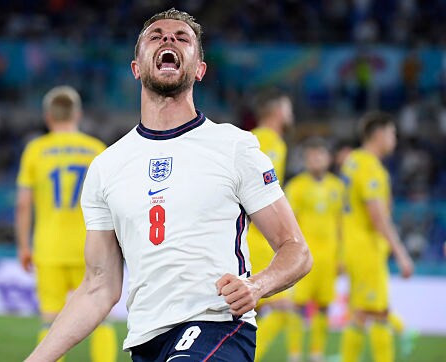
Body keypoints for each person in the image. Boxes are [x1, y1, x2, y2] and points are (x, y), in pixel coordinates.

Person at [26, 8, 312, 362]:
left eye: (182, 38)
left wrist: (258, 285)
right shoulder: (106, 166)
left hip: (218, 326)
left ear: (198, 69)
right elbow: (99, 286)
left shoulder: (235, 147)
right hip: (147, 340)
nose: (168, 39)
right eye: (156, 35)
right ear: (136, 67)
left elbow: (296, 249)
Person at [15, 85, 116, 362]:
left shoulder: (35, 150)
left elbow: (23, 204)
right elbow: (113, 203)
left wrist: (24, 246)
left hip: (48, 247)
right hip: (91, 247)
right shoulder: (96, 149)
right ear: (78, 114)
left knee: (51, 322)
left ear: (48, 116)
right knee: (101, 320)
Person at [339, 111, 414, 362]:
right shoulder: (370, 167)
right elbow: (378, 217)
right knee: (378, 312)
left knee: (360, 313)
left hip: (354, 246)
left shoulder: (352, 161)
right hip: (367, 249)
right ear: (379, 134)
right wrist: (401, 253)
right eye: (392, 133)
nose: (394, 138)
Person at [284, 138, 344, 362]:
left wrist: (342, 257)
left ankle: (317, 353)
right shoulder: (296, 187)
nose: (316, 159)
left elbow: (341, 225)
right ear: (306, 160)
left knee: (324, 306)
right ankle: (295, 354)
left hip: (328, 258)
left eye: (320, 155)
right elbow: (289, 223)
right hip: (303, 258)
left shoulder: (337, 187)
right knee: (297, 306)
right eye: (311, 156)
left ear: (328, 159)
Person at [247, 88, 295, 361]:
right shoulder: (272, 142)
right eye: (288, 108)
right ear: (277, 112)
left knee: (255, 309)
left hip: (248, 234)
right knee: (283, 307)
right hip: (260, 236)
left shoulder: (249, 137)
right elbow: (263, 191)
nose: (291, 114)